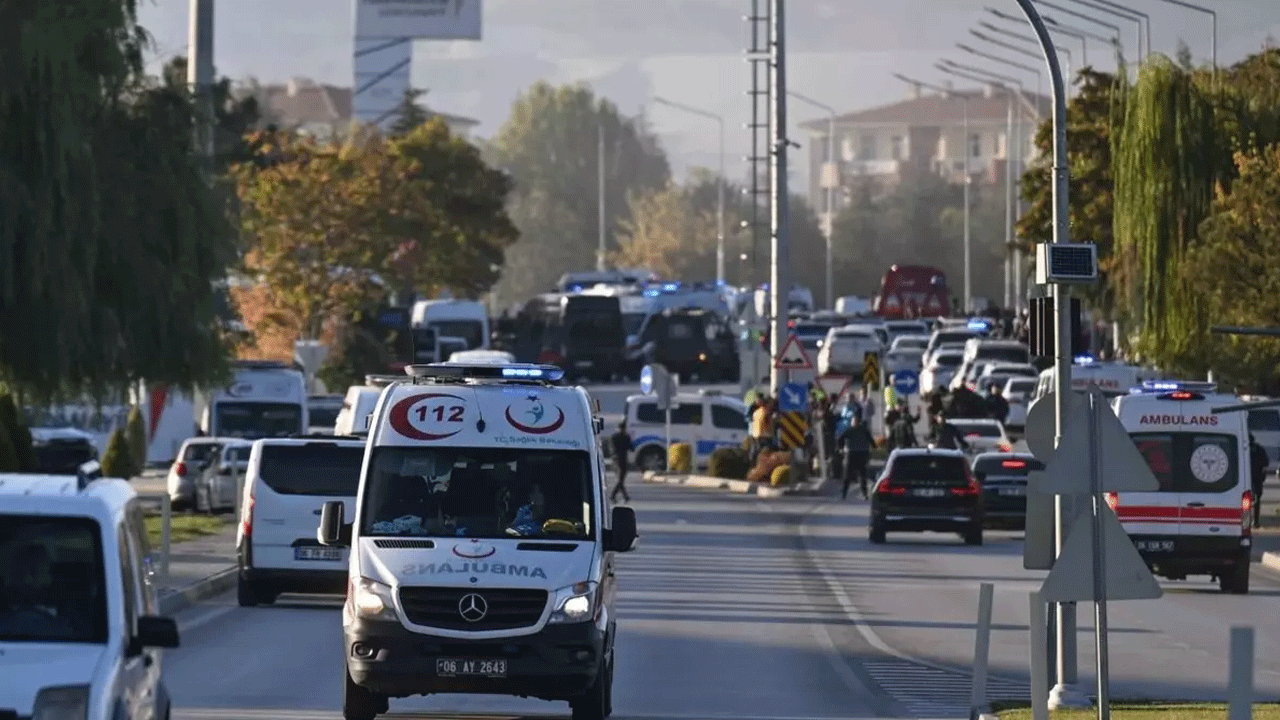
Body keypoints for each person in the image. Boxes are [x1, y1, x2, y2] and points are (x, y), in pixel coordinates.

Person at [839, 414, 875, 499]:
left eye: (855, 421)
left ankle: (863, 493)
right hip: (855, 453)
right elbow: (841, 438)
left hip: (858, 453)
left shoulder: (856, 430)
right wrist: (841, 448)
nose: (854, 423)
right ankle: (845, 493)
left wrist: (841, 448)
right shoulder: (853, 430)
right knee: (849, 475)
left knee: (861, 475)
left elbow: (870, 439)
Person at [609, 422, 633, 504]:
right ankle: (615, 496)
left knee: (620, 480)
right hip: (622, 460)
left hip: (615, 460)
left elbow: (611, 449)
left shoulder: (614, 437)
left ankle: (623, 496)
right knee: (620, 480)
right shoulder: (626, 437)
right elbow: (631, 447)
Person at [1250, 434, 1268, 528]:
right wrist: (1262, 476)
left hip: (1245, 478)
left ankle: (1245, 520)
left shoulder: (1242, 447)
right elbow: (1265, 464)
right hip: (1257, 478)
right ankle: (1256, 521)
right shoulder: (1259, 449)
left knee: (1243, 501)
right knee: (1257, 500)